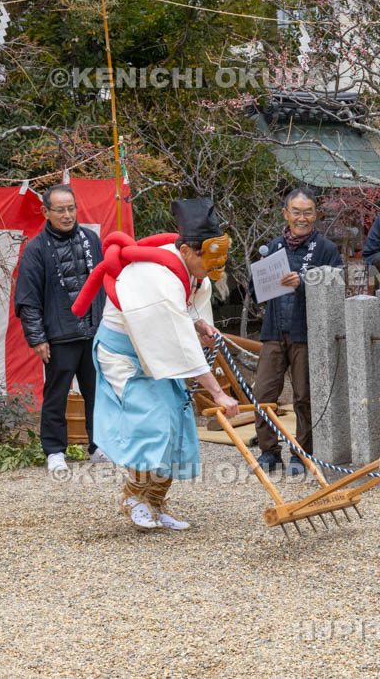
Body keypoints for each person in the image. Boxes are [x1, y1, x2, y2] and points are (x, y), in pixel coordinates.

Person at [72, 196, 239, 531]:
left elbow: (184, 314)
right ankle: (133, 496)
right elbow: (178, 339)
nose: (210, 270)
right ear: (189, 250)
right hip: (125, 355)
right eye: (206, 261)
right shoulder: (158, 279)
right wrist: (218, 393)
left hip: (157, 349)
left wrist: (199, 324)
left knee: (178, 424)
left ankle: (156, 502)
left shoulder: (191, 270)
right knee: (154, 422)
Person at [14, 184, 106, 474]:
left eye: (71, 208)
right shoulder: (36, 249)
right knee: (57, 395)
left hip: (94, 332)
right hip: (58, 336)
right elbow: (28, 299)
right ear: (46, 212)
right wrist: (37, 338)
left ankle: (99, 444)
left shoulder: (91, 240)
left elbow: (106, 286)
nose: (67, 215)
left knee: (98, 393)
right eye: (60, 210)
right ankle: (55, 450)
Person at [251, 187, 343, 475]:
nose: (301, 218)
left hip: (306, 332)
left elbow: (338, 286)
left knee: (304, 396)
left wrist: (303, 284)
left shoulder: (326, 248)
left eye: (308, 212)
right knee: (263, 392)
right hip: (274, 330)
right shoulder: (273, 247)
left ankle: (302, 453)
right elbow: (255, 293)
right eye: (296, 212)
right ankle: (268, 451)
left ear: (316, 214)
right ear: (285, 214)